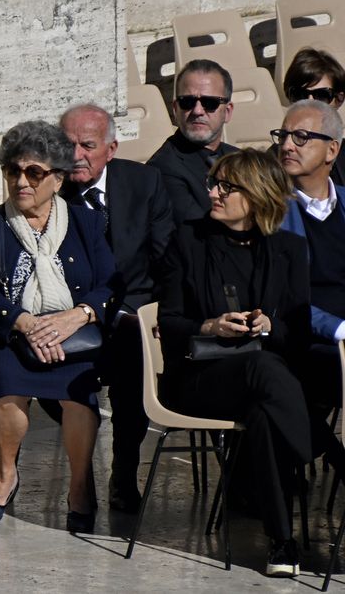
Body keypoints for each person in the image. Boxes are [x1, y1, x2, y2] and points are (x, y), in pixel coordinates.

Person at [0, 121, 115, 533]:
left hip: (72, 338)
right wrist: (25, 323)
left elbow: (111, 282)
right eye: (13, 171)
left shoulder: (87, 224)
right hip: (6, 334)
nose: (21, 181)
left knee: (79, 394)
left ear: (57, 179)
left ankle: (79, 486)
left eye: (34, 173)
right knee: (7, 385)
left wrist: (76, 316)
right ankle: (6, 474)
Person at [156, 148, 311, 578]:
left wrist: (267, 326)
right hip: (199, 378)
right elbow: (167, 322)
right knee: (267, 374)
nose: (215, 193)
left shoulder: (289, 249)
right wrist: (210, 325)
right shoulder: (186, 240)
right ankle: (320, 448)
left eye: (227, 186)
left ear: (258, 195)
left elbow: (297, 333)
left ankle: (283, 543)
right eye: (214, 183)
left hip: (265, 383)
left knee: (264, 413)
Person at [57, 103, 173, 513]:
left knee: (132, 361)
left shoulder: (144, 182)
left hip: (134, 311)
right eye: (67, 144)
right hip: (71, 313)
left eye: (87, 145)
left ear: (111, 148)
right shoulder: (48, 190)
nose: (75, 156)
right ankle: (81, 468)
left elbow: (166, 259)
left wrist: (162, 315)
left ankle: (123, 470)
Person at [276, 99, 345, 474]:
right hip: (305, 340)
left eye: (301, 137)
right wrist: (340, 330)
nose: (288, 145)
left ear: (332, 149)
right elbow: (286, 298)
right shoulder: (270, 210)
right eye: (284, 135)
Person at [147, 59, 239, 228]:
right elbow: (198, 233)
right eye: (187, 102)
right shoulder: (161, 170)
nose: (197, 111)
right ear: (175, 109)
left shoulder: (239, 158)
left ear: (227, 112)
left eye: (210, 103)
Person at [280, 47, 345, 184]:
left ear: (339, 99)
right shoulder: (276, 157)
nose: (309, 103)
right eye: (299, 95)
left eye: (321, 95)